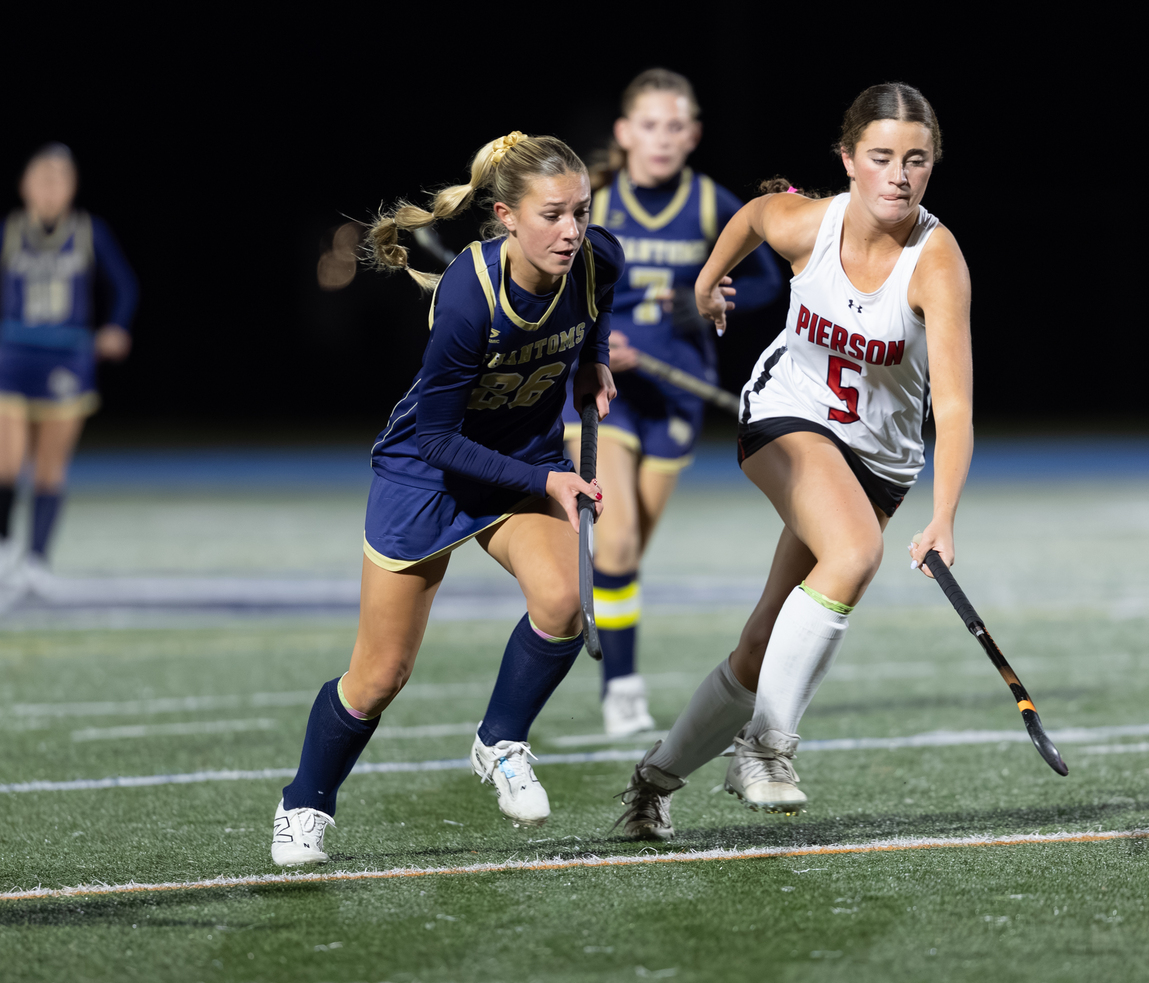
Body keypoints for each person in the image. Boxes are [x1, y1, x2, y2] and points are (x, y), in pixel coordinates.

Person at [613, 82, 973, 840]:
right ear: (849, 161)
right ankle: (766, 747)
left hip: (879, 464)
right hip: (787, 414)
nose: (899, 176)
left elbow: (955, 408)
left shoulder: (937, 263)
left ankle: (652, 781)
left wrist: (943, 517)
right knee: (854, 552)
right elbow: (750, 217)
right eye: (881, 158)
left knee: (760, 643)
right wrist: (707, 285)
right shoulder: (810, 222)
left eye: (917, 160)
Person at [271, 132, 621, 865]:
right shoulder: (470, 293)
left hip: (520, 461)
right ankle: (305, 803)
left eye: (580, 212)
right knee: (379, 676)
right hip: (427, 476)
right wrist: (549, 480)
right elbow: (435, 441)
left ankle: (500, 741)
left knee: (562, 605)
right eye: (553, 215)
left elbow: (598, 307)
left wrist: (591, 364)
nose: (571, 230)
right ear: (507, 216)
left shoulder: (596, 259)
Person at [564, 68, 781, 737]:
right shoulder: (592, 198)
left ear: (693, 135)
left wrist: (700, 306)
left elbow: (769, 281)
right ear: (625, 134)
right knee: (619, 540)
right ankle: (621, 688)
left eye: (675, 126)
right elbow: (552, 283)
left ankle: (607, 640)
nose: (661, 139)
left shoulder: (713, 204)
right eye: (649, 126)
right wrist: (596, 339)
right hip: (605, 392)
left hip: (678, 391)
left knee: (627, 555)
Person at [0, 144, 137, 586]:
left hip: (67, 361)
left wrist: (116, 326)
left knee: (49, 467)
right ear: (24, 185)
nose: (50, 189)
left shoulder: (88, 231)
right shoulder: (9, 231)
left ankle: (37, 560)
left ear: (72, 187)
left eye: (59, 180)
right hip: (13, 358)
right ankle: (4, 547)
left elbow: (126, 286)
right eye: (42, 179)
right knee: (7, 459)